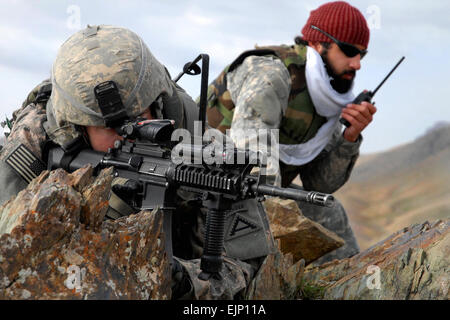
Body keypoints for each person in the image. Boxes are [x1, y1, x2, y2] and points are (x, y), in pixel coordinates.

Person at [0, 25, 271, 299]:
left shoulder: (205, 151)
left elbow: (243, 266)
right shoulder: (35, 139)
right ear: (77, 129)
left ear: (158, 104)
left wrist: (184, 279)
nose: (130, 134)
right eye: (111, 128)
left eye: (140, 118)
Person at [206, 1, 376, 263]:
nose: (357, 64)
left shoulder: (326, 99)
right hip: (207, 185)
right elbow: (253, 164)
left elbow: (319, 184)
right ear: (320, 44)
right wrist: (278, 224)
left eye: (361, 55)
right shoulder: (271, 74)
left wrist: (349, 138)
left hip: (256, 193)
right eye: (349, 51)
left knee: (328, 212)